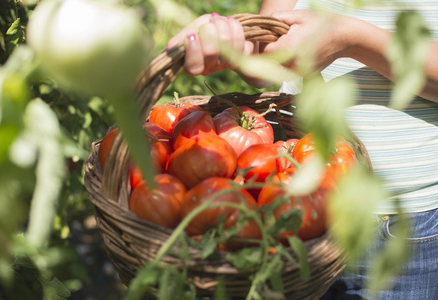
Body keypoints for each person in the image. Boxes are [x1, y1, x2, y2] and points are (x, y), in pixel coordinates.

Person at [166, 0, 438, 299]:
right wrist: (237, 47)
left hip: (405, 223)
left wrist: (353, 39)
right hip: (287, 206)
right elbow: (271, 51)